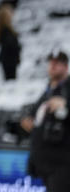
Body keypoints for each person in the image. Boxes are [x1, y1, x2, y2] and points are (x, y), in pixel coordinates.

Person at [22, 50, 70, 189]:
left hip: (63, 164)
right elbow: (35, 119)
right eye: (51, 62)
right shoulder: (47, 91)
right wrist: (29, 123)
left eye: (57, 63)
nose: (53, 66)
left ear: (66, 67)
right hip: (44, 163)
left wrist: (66, 105)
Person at [0, 3, 20, 80]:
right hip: (8, 60)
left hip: (10, 59)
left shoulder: (8, 29)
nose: (11, 15)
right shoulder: (4, 31)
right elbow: (8, 45)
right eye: (9, 14)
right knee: (10, 79)